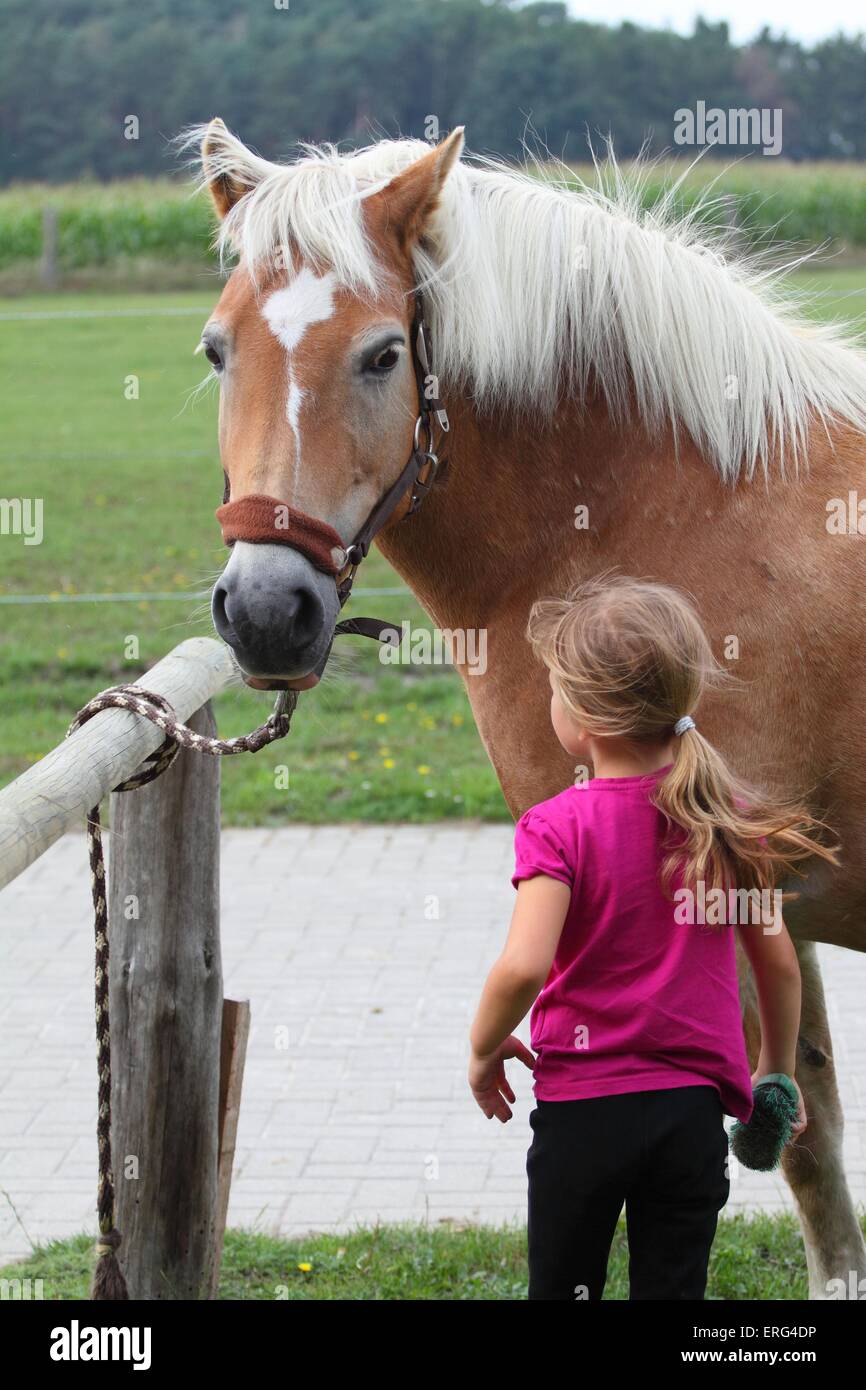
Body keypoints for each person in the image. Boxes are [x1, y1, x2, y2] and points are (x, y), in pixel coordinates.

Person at [468, 573, 838, 1300]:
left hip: (582, 1117)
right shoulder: (726, 821)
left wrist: (483, 1049)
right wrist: (775, 1073)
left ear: (581, 718)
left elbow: (522, 967)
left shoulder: (555, 827)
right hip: (690, 1120)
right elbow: (780, 968)